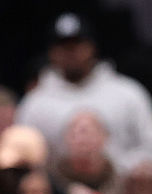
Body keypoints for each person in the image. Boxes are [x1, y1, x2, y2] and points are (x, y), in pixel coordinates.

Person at [16, 13, 152, 171]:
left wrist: (110, 167)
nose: (71, 52)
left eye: (77, 44)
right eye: (63, 46)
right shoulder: (35, 103)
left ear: (92, 47)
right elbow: (25, 158)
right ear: (51, 52)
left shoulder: (128, 93)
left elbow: (148, 147)